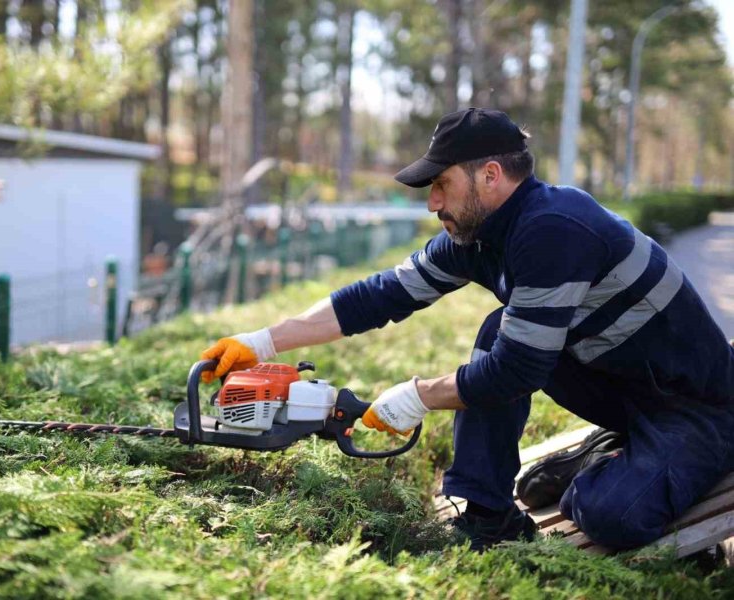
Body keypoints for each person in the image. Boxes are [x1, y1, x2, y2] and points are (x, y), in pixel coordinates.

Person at [200, 108, 734, 551]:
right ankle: (489, 514)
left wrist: (419, 396)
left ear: (490, 176)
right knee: (502, 329)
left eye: (442, 185)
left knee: (609, 514)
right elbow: (377, 296)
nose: (433, 202)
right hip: (627, 389)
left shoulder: (553, 229)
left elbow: (517, 371)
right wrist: (260, 342)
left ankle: (607, 461)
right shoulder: (476, 234)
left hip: (699, 407)